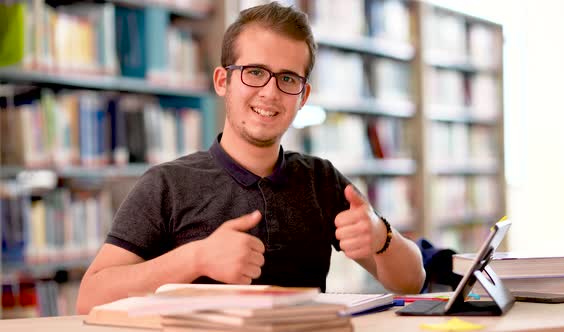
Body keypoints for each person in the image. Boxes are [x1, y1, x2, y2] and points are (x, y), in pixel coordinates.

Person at [76, 2, 425, 314]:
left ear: (303, 96)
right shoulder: (166, 184)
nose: (270, 93)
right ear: (222, 81)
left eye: (288, 78)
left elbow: (411, 282)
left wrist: (382, 238)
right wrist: (197, 257)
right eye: (255, 72)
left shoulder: (322, 180)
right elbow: (90, 297)